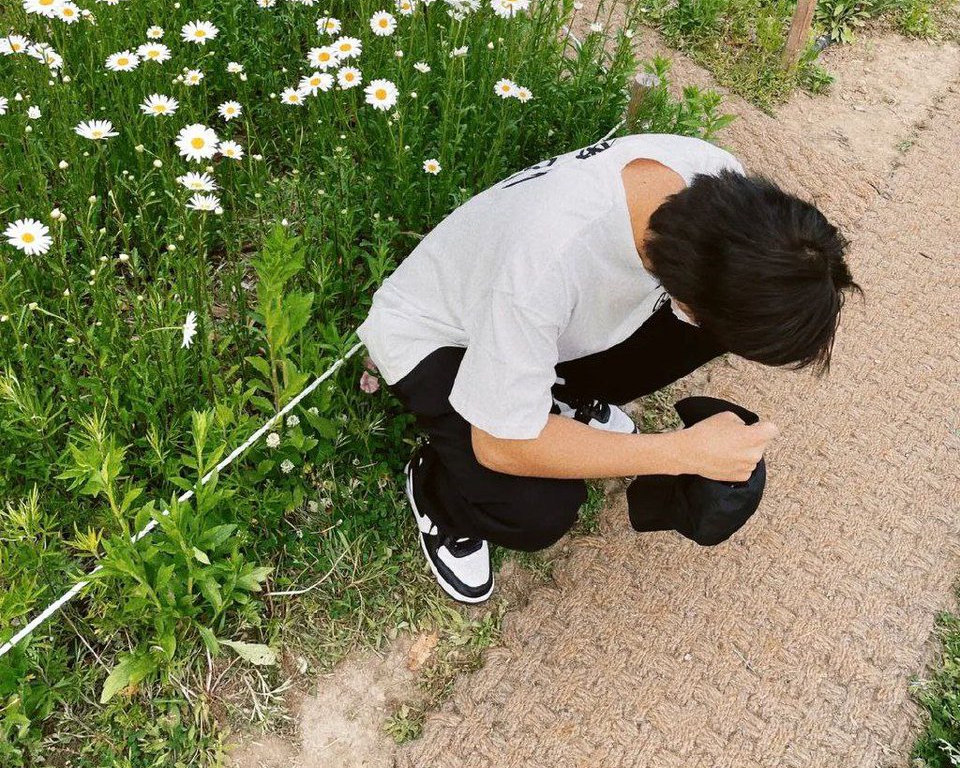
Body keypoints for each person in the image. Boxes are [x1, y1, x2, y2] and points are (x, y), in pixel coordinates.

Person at [357, 132, 860, 604]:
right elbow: (501, 444)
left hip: (538, 324)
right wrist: (677, 453)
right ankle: (438, 493)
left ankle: (551, 394)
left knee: (709, 328)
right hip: (440, 336)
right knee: (536, 512)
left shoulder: (716, 183)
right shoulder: (542, 267)